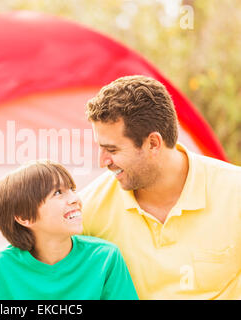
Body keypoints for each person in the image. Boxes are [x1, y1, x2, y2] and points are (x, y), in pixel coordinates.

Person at [80, 75, 241, 299]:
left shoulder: (235, 192)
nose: (102, 161)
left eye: (113, 150)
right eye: (101, 148)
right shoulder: (87, 209)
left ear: (153, 144)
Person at [0, 160, 138, 300]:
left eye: (72, 189)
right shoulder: (0, 266)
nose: (74, 199)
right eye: (58, 193)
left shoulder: (105, 257)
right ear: (24, 217)